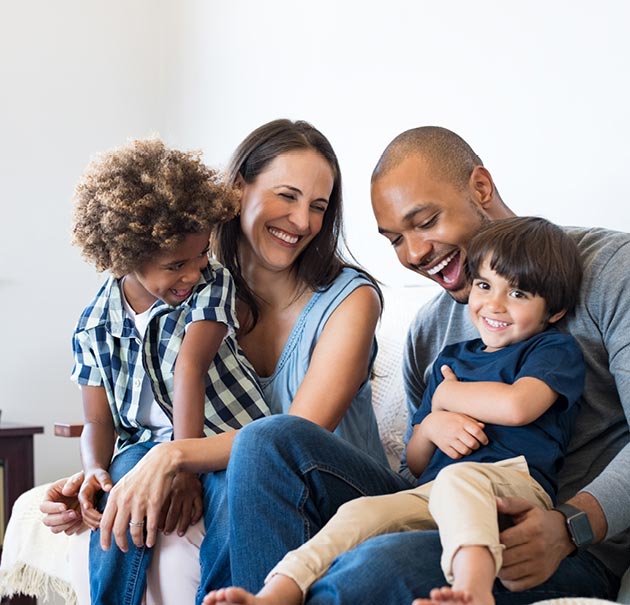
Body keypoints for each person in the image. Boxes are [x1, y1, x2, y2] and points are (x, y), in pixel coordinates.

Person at [219, 126, 630, 604]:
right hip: (442, 507)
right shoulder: (430, 330)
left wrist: (569, 527)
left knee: (372, 567)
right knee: (268, 440)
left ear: (480, 188)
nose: (414, 254)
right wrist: (432, 424)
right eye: (395, 239)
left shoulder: (610, 270)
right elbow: (418, 471)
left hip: (556, 542)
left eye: (426, 221)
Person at [40, 119, 388, 605]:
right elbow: (140, 406)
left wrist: (173, 457)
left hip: (333, 487)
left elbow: (290, 437)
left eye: (318, 206)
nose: (304, 221)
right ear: (238, 188)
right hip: (238, 472)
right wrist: (101, 476)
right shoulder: (189, 288)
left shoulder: (349, 300)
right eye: (287, 196)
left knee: (254, 459)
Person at [70, 138, 270, 605]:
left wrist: (183, 466)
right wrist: (93, 470)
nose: (193, 272)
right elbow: (98, 421)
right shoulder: (94, 325)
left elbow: (190, 368)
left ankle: (223, 597)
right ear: (125, 257)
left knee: (231, 497)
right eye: (176, 264)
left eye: (201, 255)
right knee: (117, 495)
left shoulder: (211, 283)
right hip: (143, 447)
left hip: (222, 437)